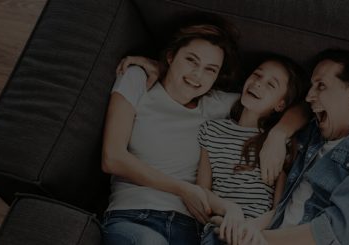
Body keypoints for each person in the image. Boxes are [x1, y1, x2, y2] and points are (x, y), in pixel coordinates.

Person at [101, 18, 304, 244]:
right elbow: (112, 158)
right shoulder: (138, 79)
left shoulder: (215, 104)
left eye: (210, 70)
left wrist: (278, 135)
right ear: (171, 56)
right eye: (190, 60)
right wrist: (182, 189)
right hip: (135, 215)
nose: (197, 75)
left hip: (190, 228)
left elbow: (301, 106)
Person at [226, 50, 349, 245]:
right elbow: (301, 109)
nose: (309, 96)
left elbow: (332, 233)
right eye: (311, 86)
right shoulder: (315, 132)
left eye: (321, 86)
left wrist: (254, 239)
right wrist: (278, 134)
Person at [195, 55, 307, 245]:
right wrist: (227, 212)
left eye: (271, 85)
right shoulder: (211, 130)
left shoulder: (280, 146)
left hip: (257, 233)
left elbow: (279, 207)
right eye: (257, 75)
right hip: (220, 228)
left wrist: (251, 227)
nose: (258, 84)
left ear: (280, 104)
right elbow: (202, 190)